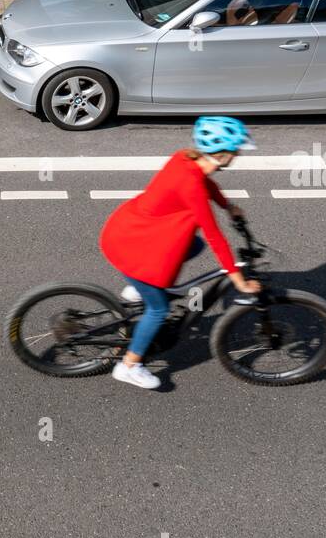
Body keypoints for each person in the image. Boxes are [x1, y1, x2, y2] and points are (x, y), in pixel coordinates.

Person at [100, 116, 262, 390]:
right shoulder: (192, 187)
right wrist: (239, 281)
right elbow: (214, 236)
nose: (238, 156)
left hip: (132, 230)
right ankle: (129, 366)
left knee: (193, 245)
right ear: (223, 155)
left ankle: (139, 289)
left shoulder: (185, 159)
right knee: (159, 309)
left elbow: (208, 184)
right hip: (135, 247)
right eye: (236, 151)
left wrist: (227, 206)